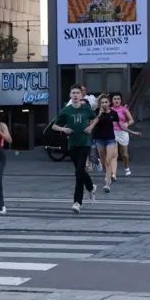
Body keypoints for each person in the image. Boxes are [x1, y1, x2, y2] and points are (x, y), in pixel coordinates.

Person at [53, 84, 98, 214]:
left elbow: (95, 118)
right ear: (70, 95)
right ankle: (91, 187)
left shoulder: (85, 109)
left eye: (78, 93)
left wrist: (91, 127)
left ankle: (77, 202)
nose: (76, 95)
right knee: (79, 171)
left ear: (81, 95)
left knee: (79, 172)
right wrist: (63, 129)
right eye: (73, 93)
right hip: (72, 145)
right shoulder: (66, 111)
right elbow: (55, 125)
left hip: (84, 143)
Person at [92, 94, 120, 194]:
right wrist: (99, 115)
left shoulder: (113, 113)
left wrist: (132, 131)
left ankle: (107, 184)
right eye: (102, 102)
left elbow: (120, 125)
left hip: (111, 139)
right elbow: (92, 123)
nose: (104, 104)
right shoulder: (96, 112)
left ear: (109, 103)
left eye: (106, 102)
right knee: (104, 162)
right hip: (99, 139)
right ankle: (107, 175)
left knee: (108, 161)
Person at [111, 93, 134, 177]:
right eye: (115, 99)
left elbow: (131, 120)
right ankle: (113, 173)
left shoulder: (124, 109)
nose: (117, 100)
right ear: (112, 100)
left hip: (122, 132)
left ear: (120, 100)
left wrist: (127, 124)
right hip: (113, 132)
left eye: (118, 99)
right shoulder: (109, 109)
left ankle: (126, 167)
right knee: (114, 153)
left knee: (124, 154)